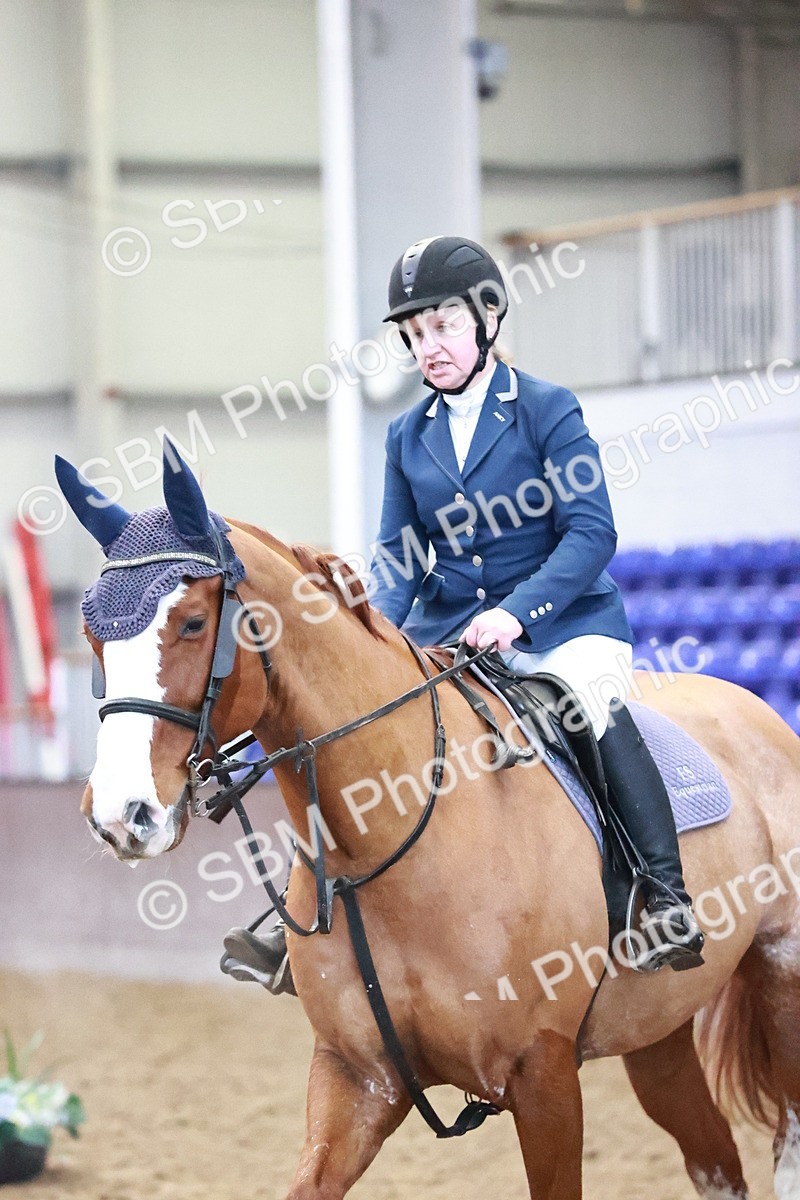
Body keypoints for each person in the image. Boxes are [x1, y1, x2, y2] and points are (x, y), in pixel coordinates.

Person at [220, 235, 704, 992]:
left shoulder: (546, 408)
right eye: (414, 337)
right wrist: (370, 642)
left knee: (590, 708)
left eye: (443, 327)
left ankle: (665, 897)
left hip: (562, 625)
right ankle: (301, 925)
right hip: (451, 634)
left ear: (485, 318)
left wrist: (517, 613)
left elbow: (592, 531)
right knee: (352, 731)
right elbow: (399, 556)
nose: (429, 348)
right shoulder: (407, 435)